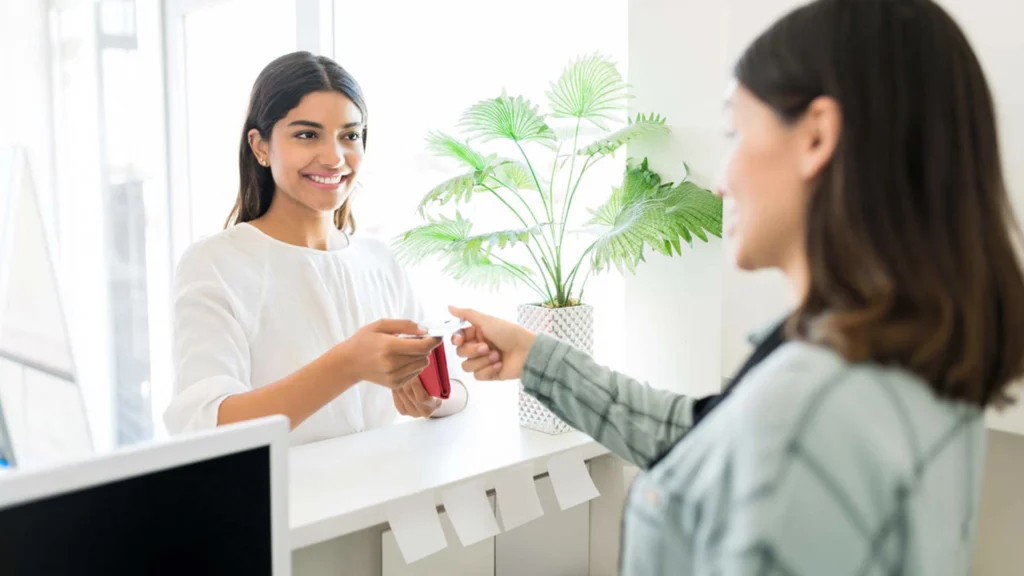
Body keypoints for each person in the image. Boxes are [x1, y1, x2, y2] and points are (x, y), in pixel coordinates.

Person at [450, 0, 1024, 573]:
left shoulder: (806, 412)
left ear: (817, 138)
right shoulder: (912, 352)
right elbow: (707, 437)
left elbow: (754, 442)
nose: (720, 181)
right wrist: (535, 357)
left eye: (735, 130)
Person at [165, 52, 468, 445]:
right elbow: (208, 427)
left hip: (388, 498)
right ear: (260, 146)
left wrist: (432, 399)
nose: (334, 158)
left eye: (350, 135)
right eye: (307, 134)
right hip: (285, 504)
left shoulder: (378, 261)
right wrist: (347, 365)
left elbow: (452, 388)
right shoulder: (215, 264)